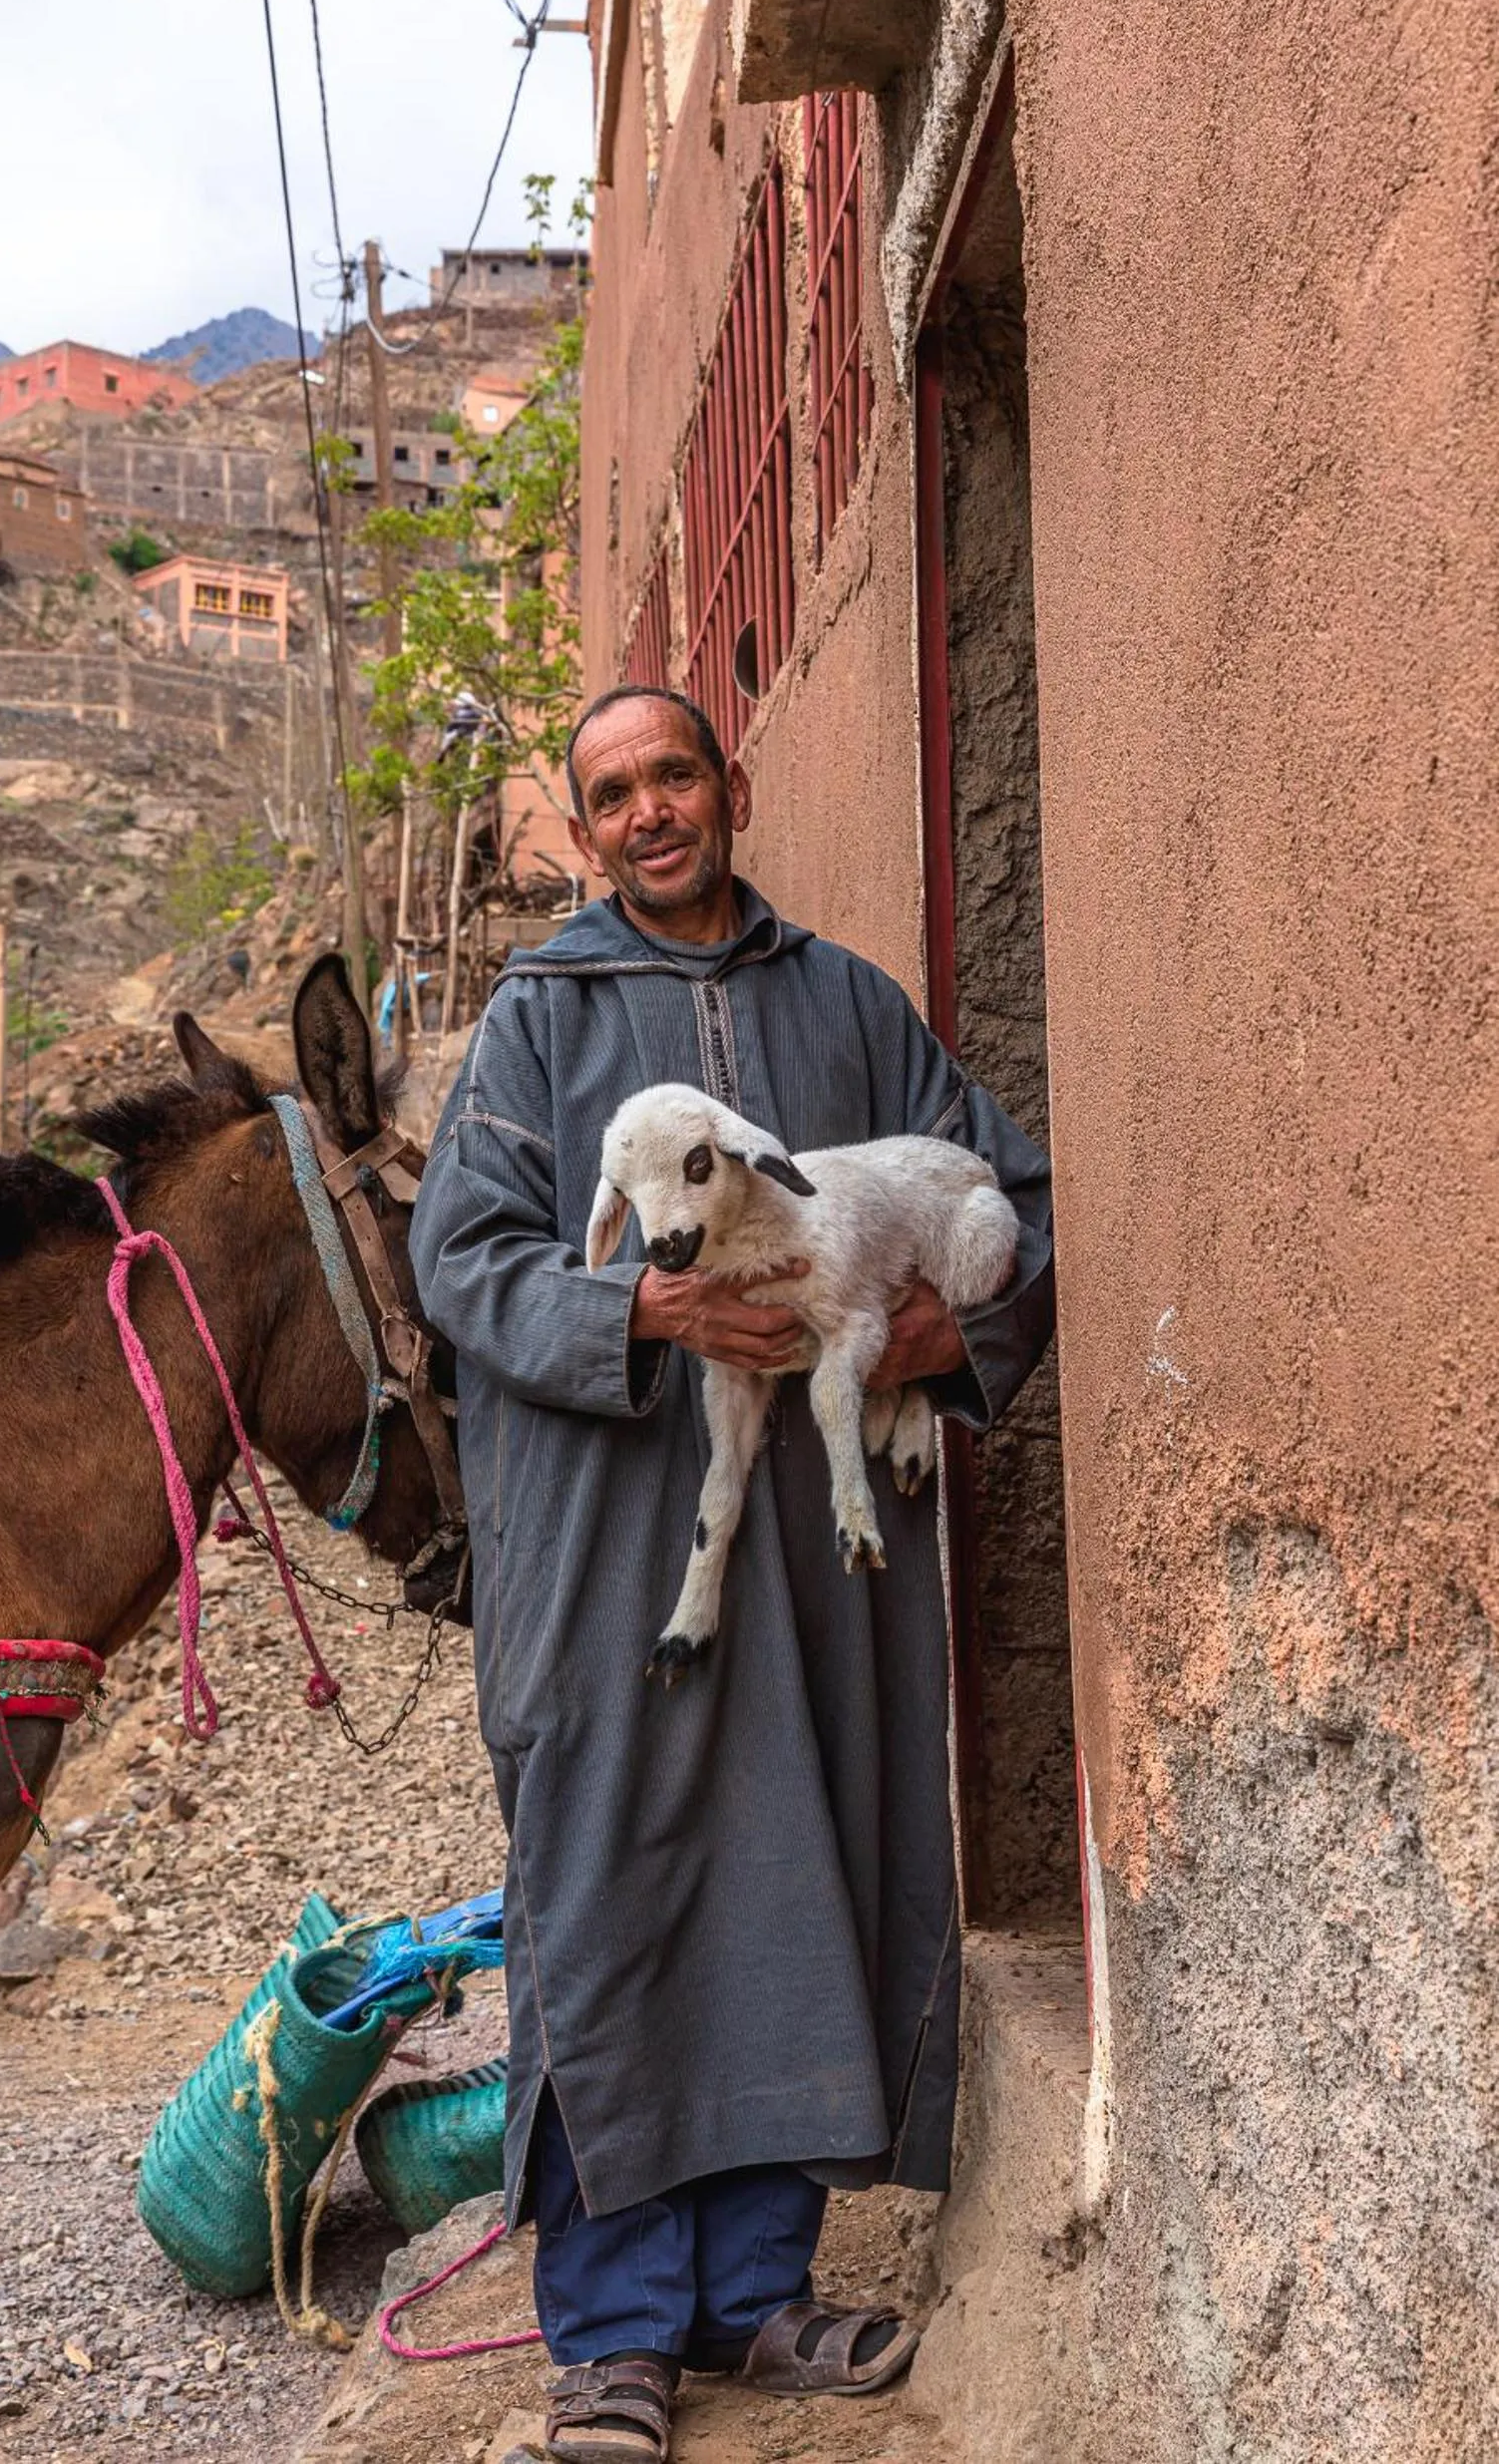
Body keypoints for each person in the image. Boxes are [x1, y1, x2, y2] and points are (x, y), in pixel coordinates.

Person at [409, 686, 1054, 2461]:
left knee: (801, 1865)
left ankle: (756, 2299)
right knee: (615, 1884)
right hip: (616, 1542)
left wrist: (939, 1334)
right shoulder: (540, 1023)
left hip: (813, 1550)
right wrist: (637, 1302)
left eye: (670, 775)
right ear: (586, 824)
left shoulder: (849, 1005)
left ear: (728, 787)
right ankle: (611, 2332)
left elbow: (1004, 1195)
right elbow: (457, 1259)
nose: (645, 813)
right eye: (609, 792)